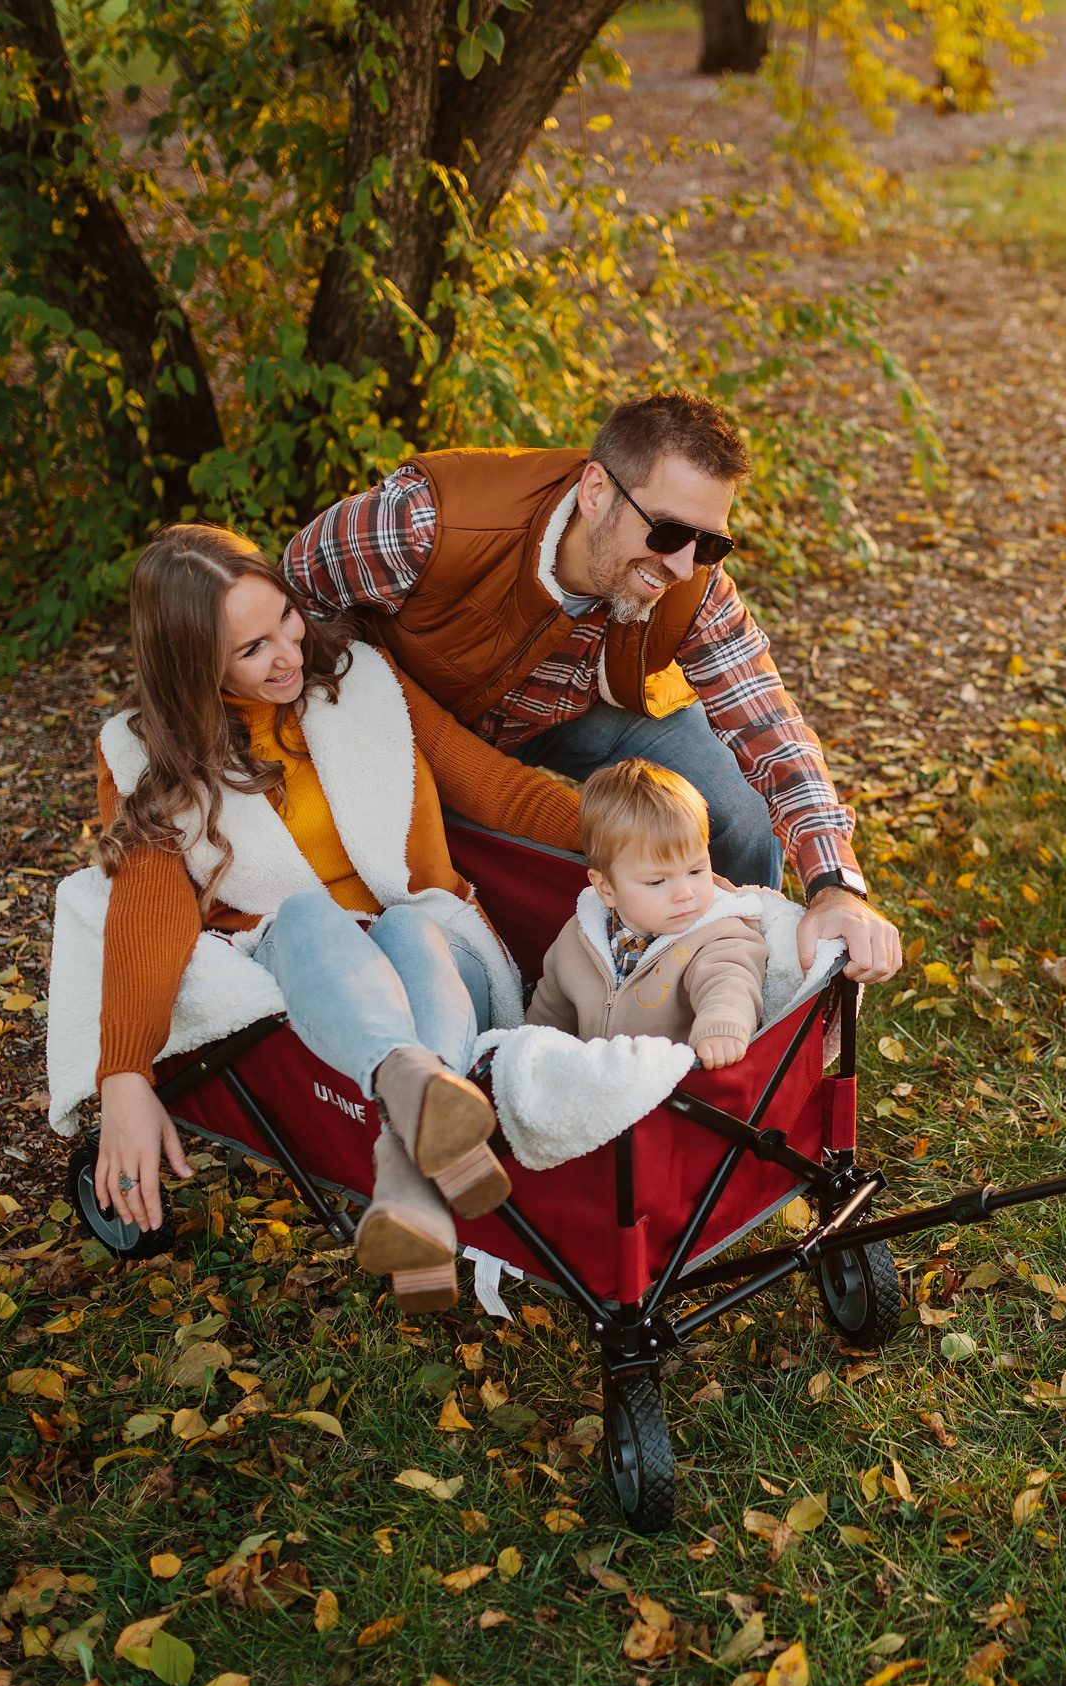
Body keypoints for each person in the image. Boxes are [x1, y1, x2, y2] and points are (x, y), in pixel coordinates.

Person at [85, 525, 583, 1313]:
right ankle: (421, 1119)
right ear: (194, 666)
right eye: (251, 649)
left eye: (286, 617)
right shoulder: (156, 761)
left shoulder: (364, 682)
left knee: (413, 924)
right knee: (311, 912)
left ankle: (405, 1165)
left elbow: (497, 789)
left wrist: (631, 831)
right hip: (311, 974)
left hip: (433, 966)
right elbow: (144, 916)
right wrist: (123, 1074)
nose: (288, 651)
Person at [278, 389, 902, 987]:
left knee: (739, 813)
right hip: (421, 713)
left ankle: (729, 983)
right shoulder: (425, 523)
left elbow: (772, 726)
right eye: (668, 534)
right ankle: (586, 978)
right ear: (597, 491)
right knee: (515, 853)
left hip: (570, 712)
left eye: (711, 543)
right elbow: (292, 607)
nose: (684, 566)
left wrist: (836, 886)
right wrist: (368, 724)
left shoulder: (695, 584)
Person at [525, 759, 769, 1066]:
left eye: (696, 870)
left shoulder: (718, 934)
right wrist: (526, 1050)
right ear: (606, 889)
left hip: (674, 1090)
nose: (685, 893)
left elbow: (729, 979)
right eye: (657, 881)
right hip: (592, 1083)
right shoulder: (578, 939)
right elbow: (549, 1011)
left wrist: (723, 1026)